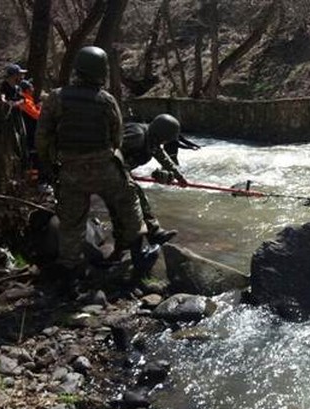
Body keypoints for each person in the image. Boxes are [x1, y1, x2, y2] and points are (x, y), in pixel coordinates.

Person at [36, 46, 158, 286]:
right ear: (101, 72)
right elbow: (117, 138)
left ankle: (70, 272)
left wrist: (50, 165)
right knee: (128, 201)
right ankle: (139, 252)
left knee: (71, 223)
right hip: (104, 168)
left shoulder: (56, 98)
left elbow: (42, 138)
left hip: (70, 171)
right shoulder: (106, 100)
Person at [122, 114, 200, 245]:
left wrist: (179, 177)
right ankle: (144, 237)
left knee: (137, 197)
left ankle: (153, 233)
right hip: (107, 169)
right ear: (161, 134)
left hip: (120, 171)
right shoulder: (137, 136)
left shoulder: (152, 140)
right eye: (167, 139)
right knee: (135, 196)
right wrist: (124, 173)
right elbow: (112, 152)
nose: (167, 142)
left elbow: (163, 158)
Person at [18, 80, 41, 175]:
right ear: (27, 90)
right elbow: (36, 116)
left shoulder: (28, 100)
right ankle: (31, 176)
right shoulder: (25, 101)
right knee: (32, 153)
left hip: (30, 131)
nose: (33, 89)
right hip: (29, 132)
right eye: (31, 87)